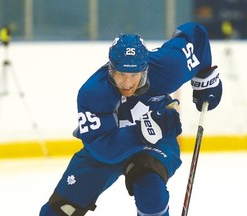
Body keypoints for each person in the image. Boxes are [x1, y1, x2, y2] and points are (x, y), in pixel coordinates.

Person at [39, 22, 222, 216]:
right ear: (111, 69)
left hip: (157, 140)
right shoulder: (92, 93)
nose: (127, 83)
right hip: (110, 143)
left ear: (145, 69)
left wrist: (206, 76)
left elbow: (195, 34)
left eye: (134, 75)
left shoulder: (169, 66)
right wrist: (142, 131)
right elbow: (105, 149)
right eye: (120, 74)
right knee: (61, 210)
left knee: (151, 192)